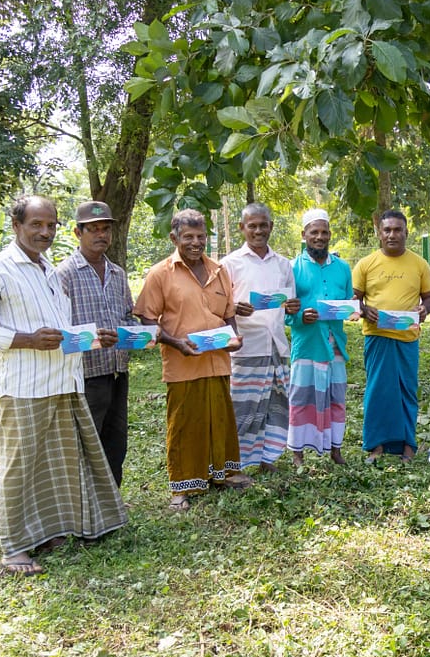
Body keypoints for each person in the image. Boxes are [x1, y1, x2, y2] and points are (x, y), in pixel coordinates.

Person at [0, 195, 127, 576]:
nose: (45, 232)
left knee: (54, 463)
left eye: (50, 225)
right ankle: (14, 549)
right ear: (16, 226)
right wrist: (28, 339)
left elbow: (58, 329)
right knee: (20, 465)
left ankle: (48, 533)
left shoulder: (47, 269)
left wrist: (88, 336)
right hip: (23, 385)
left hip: (63, 380)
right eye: (36, 224)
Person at [134, 208, 252, 512]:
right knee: (185, 424)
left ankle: (223, 474)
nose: (196, 242)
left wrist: (234, 338)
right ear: (174, 238)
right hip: (183, 363)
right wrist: (175, 343)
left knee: (220, 418)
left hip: (217, 361)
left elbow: (227, 315)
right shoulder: (161, 273)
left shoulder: (218, 270)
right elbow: (148, 320)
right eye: (188, 237)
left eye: (201, 236)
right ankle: (182, 486)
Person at [56, 201, 137, 487]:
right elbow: (58, 329)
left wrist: (132, 333)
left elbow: (128, 316)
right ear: (78, 233)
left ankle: (111, 501)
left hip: (117, 371)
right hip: (85, 374)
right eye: (93, 229)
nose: (101, 235)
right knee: (85, 441)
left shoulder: (118, 274)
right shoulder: (64, 274)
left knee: (116, 441)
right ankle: (84, 506)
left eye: (105, 229)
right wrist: (92, 339)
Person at [221, 203, 300, 473]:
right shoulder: (229, 264)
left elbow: (289, 303)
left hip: (277, 345)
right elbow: (219, 307)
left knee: (275, 405)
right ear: (242, 228)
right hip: (246, 347)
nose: (258, 231)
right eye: (252, 226)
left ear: (271, 227)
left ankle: (268, 459)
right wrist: (233, 308)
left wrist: (292, 307)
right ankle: (237, 464)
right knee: (243, 408)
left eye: (263, 225)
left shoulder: (283, 264)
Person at [353, 209, 430, 464]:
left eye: (397, 230)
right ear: (379, 233)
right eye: (387, 230)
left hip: (407, 339)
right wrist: (365, 310)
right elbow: (354, 300)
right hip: (377, 337)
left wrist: (424, 310)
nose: (392, 234)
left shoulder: (419, 264)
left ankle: (407, 448)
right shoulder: (366, 264)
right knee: (378, 391)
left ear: (406, 233)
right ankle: (375, 447)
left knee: (406, 392)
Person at [285, 208, 353, 465]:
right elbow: (286, 312)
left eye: (324, 232)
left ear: (330, 235)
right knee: (302, 398)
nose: (320, 236)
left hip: (334, 344)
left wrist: (351, 308)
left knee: (336, 397)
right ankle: (297, 453)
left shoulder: (343, 268)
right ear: (304, 235)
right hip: (307, 345)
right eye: (314, 232)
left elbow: (347, 304)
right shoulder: (292, 268)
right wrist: (302, 316)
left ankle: (336, 449)